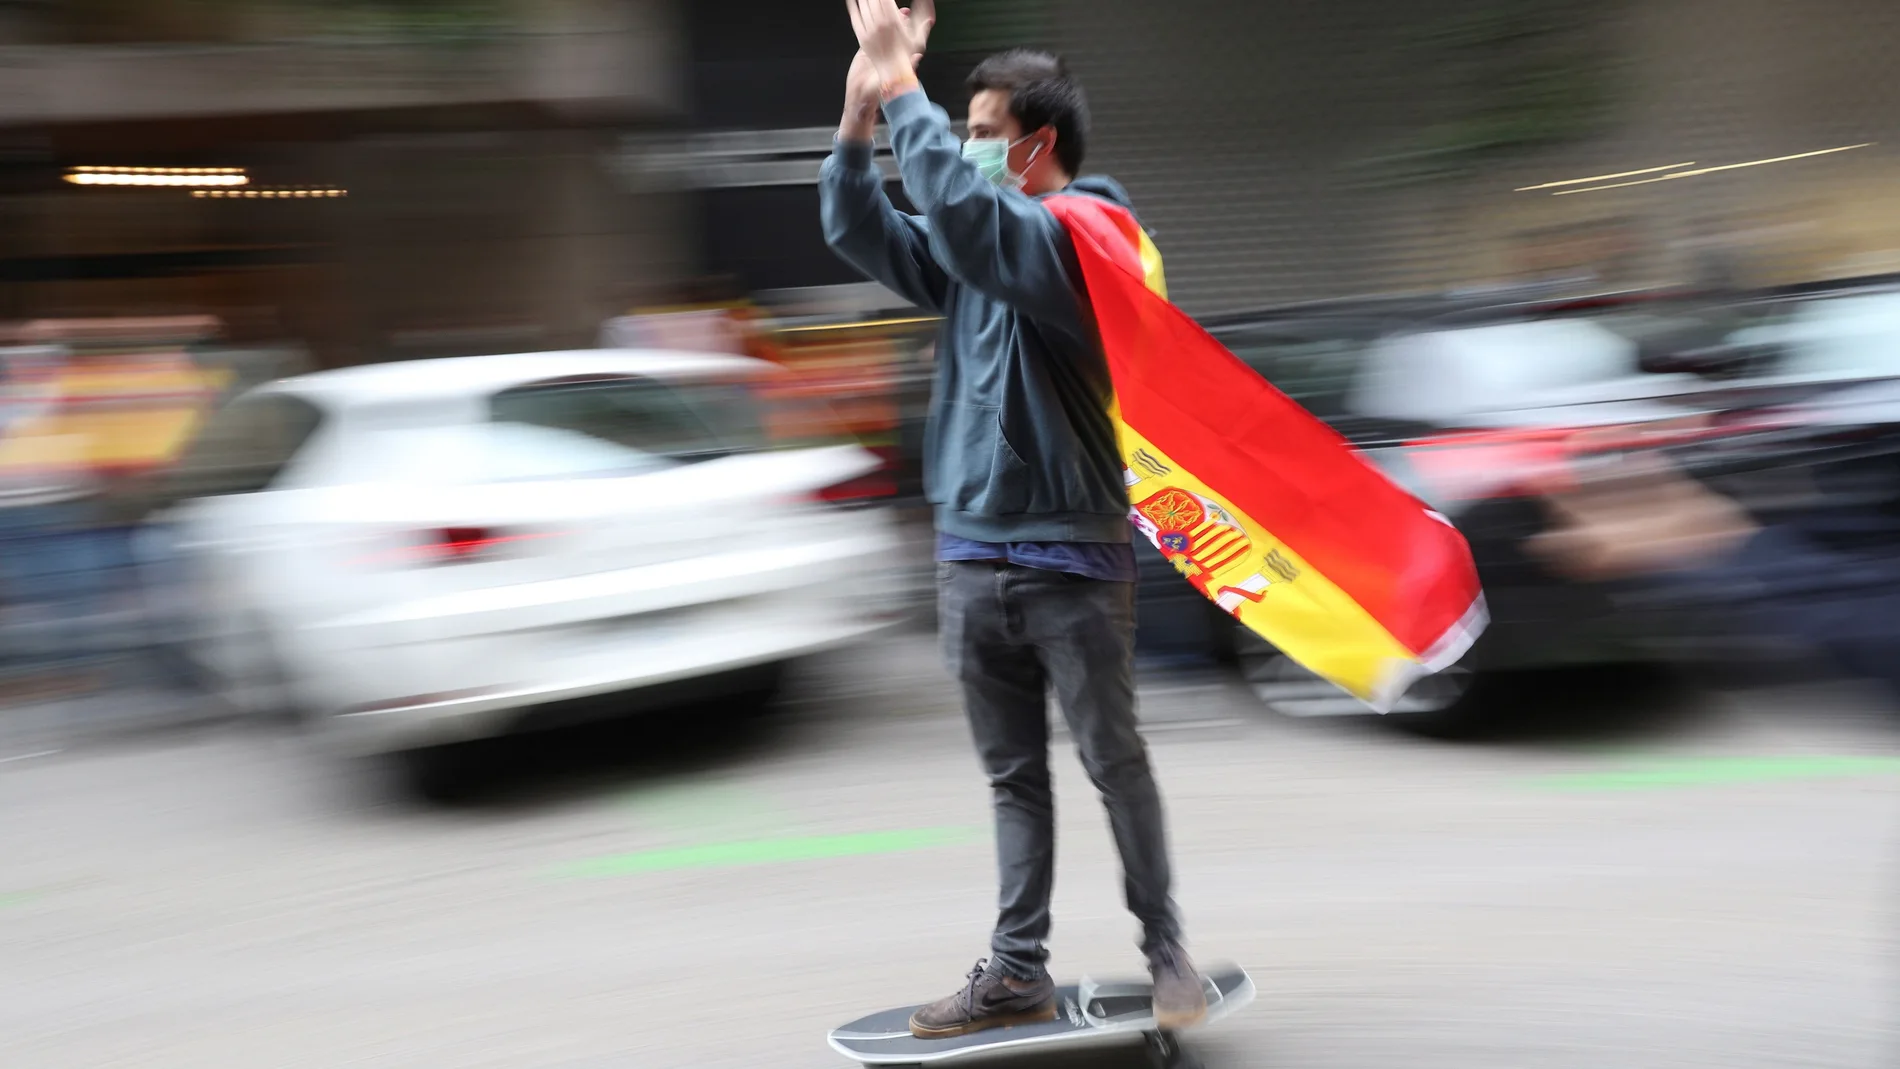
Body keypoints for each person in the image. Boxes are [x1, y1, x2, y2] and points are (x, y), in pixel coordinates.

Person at [820, 0, 1206, 1040]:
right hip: (969, 557)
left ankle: (1165, 943)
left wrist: (904, 85)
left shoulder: (1092, 242)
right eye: (964, 128)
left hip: (1070, 556)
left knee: (1111, 759)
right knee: (1011, 777)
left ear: (1036, 148)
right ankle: (1016, 970)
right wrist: (863, 112)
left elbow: (973, 220)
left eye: (983, 131)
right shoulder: (972, 248)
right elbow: (861, 226)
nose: (968, 146)